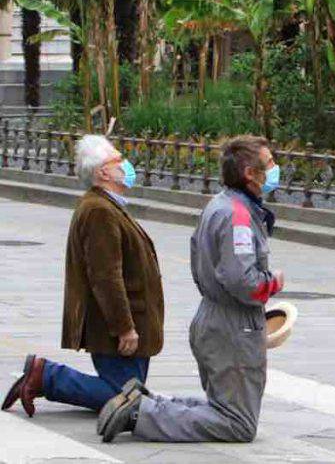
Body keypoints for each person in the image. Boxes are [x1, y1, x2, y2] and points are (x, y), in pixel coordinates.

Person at [99, 135, 284, 443]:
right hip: (232, 326)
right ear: (250, 173)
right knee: (236, 423)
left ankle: (148, 403)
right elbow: (243, 282)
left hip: (216, 318)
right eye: (269, 163)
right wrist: (274, 281)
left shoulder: (221, 204)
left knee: (225, 409)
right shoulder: (237, 216)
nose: (275, 169)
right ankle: (141, 413)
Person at [2, 135, 163, 417]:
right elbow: (105, 276)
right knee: (123, 396)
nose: (126, 164)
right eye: (119, 160)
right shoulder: (99, 210)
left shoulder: (108, 205)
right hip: (119, 325)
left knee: (129, 394)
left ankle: (46, 375)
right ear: (103, 171)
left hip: (134, 318)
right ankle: (47, 375)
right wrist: (124, 327)